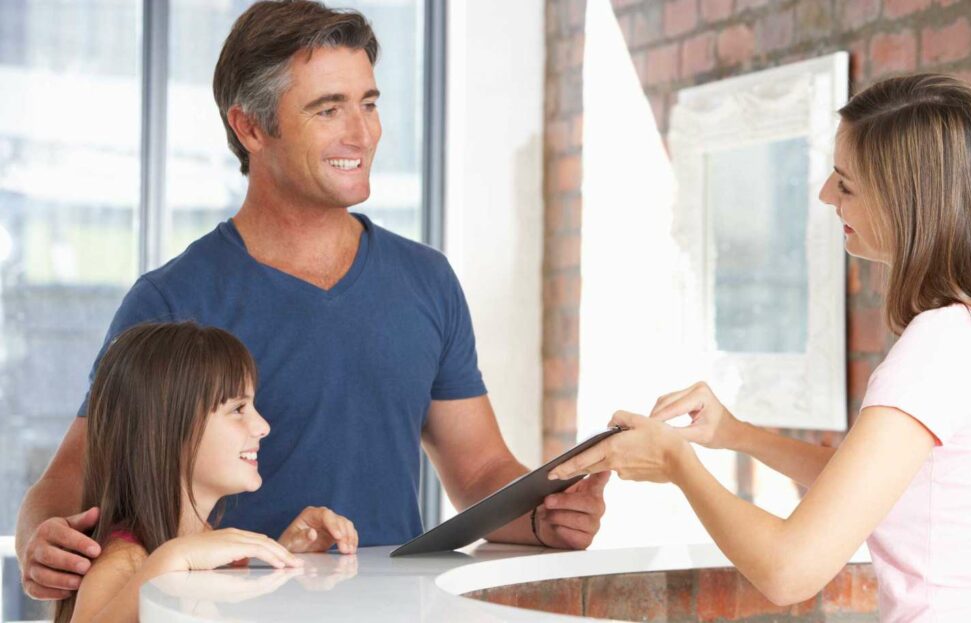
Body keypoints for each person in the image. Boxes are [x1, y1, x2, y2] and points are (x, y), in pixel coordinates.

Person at [17, 0, 608, 602]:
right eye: (329, 109)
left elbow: (481, 471)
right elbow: (76, 474)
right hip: (233, 613)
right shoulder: (173, 299)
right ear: (250, 127)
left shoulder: (426, 279)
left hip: (397, 613)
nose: (362, 133)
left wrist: (542, 516)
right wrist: (43, 538)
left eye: (369, 103)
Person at [550, 73, 971, 621]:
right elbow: (874, 481)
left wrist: (676, 461)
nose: (826, 195)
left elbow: (789, 571)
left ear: (907, 203)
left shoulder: (940, 343)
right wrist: (735, 435)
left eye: (845, 184)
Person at [53, 322, 358, 623]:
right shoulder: (124, 562)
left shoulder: (207, 547)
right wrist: (171, 559)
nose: (263, 427)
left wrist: (284, 557)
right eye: (238, 409)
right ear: (168, 431)